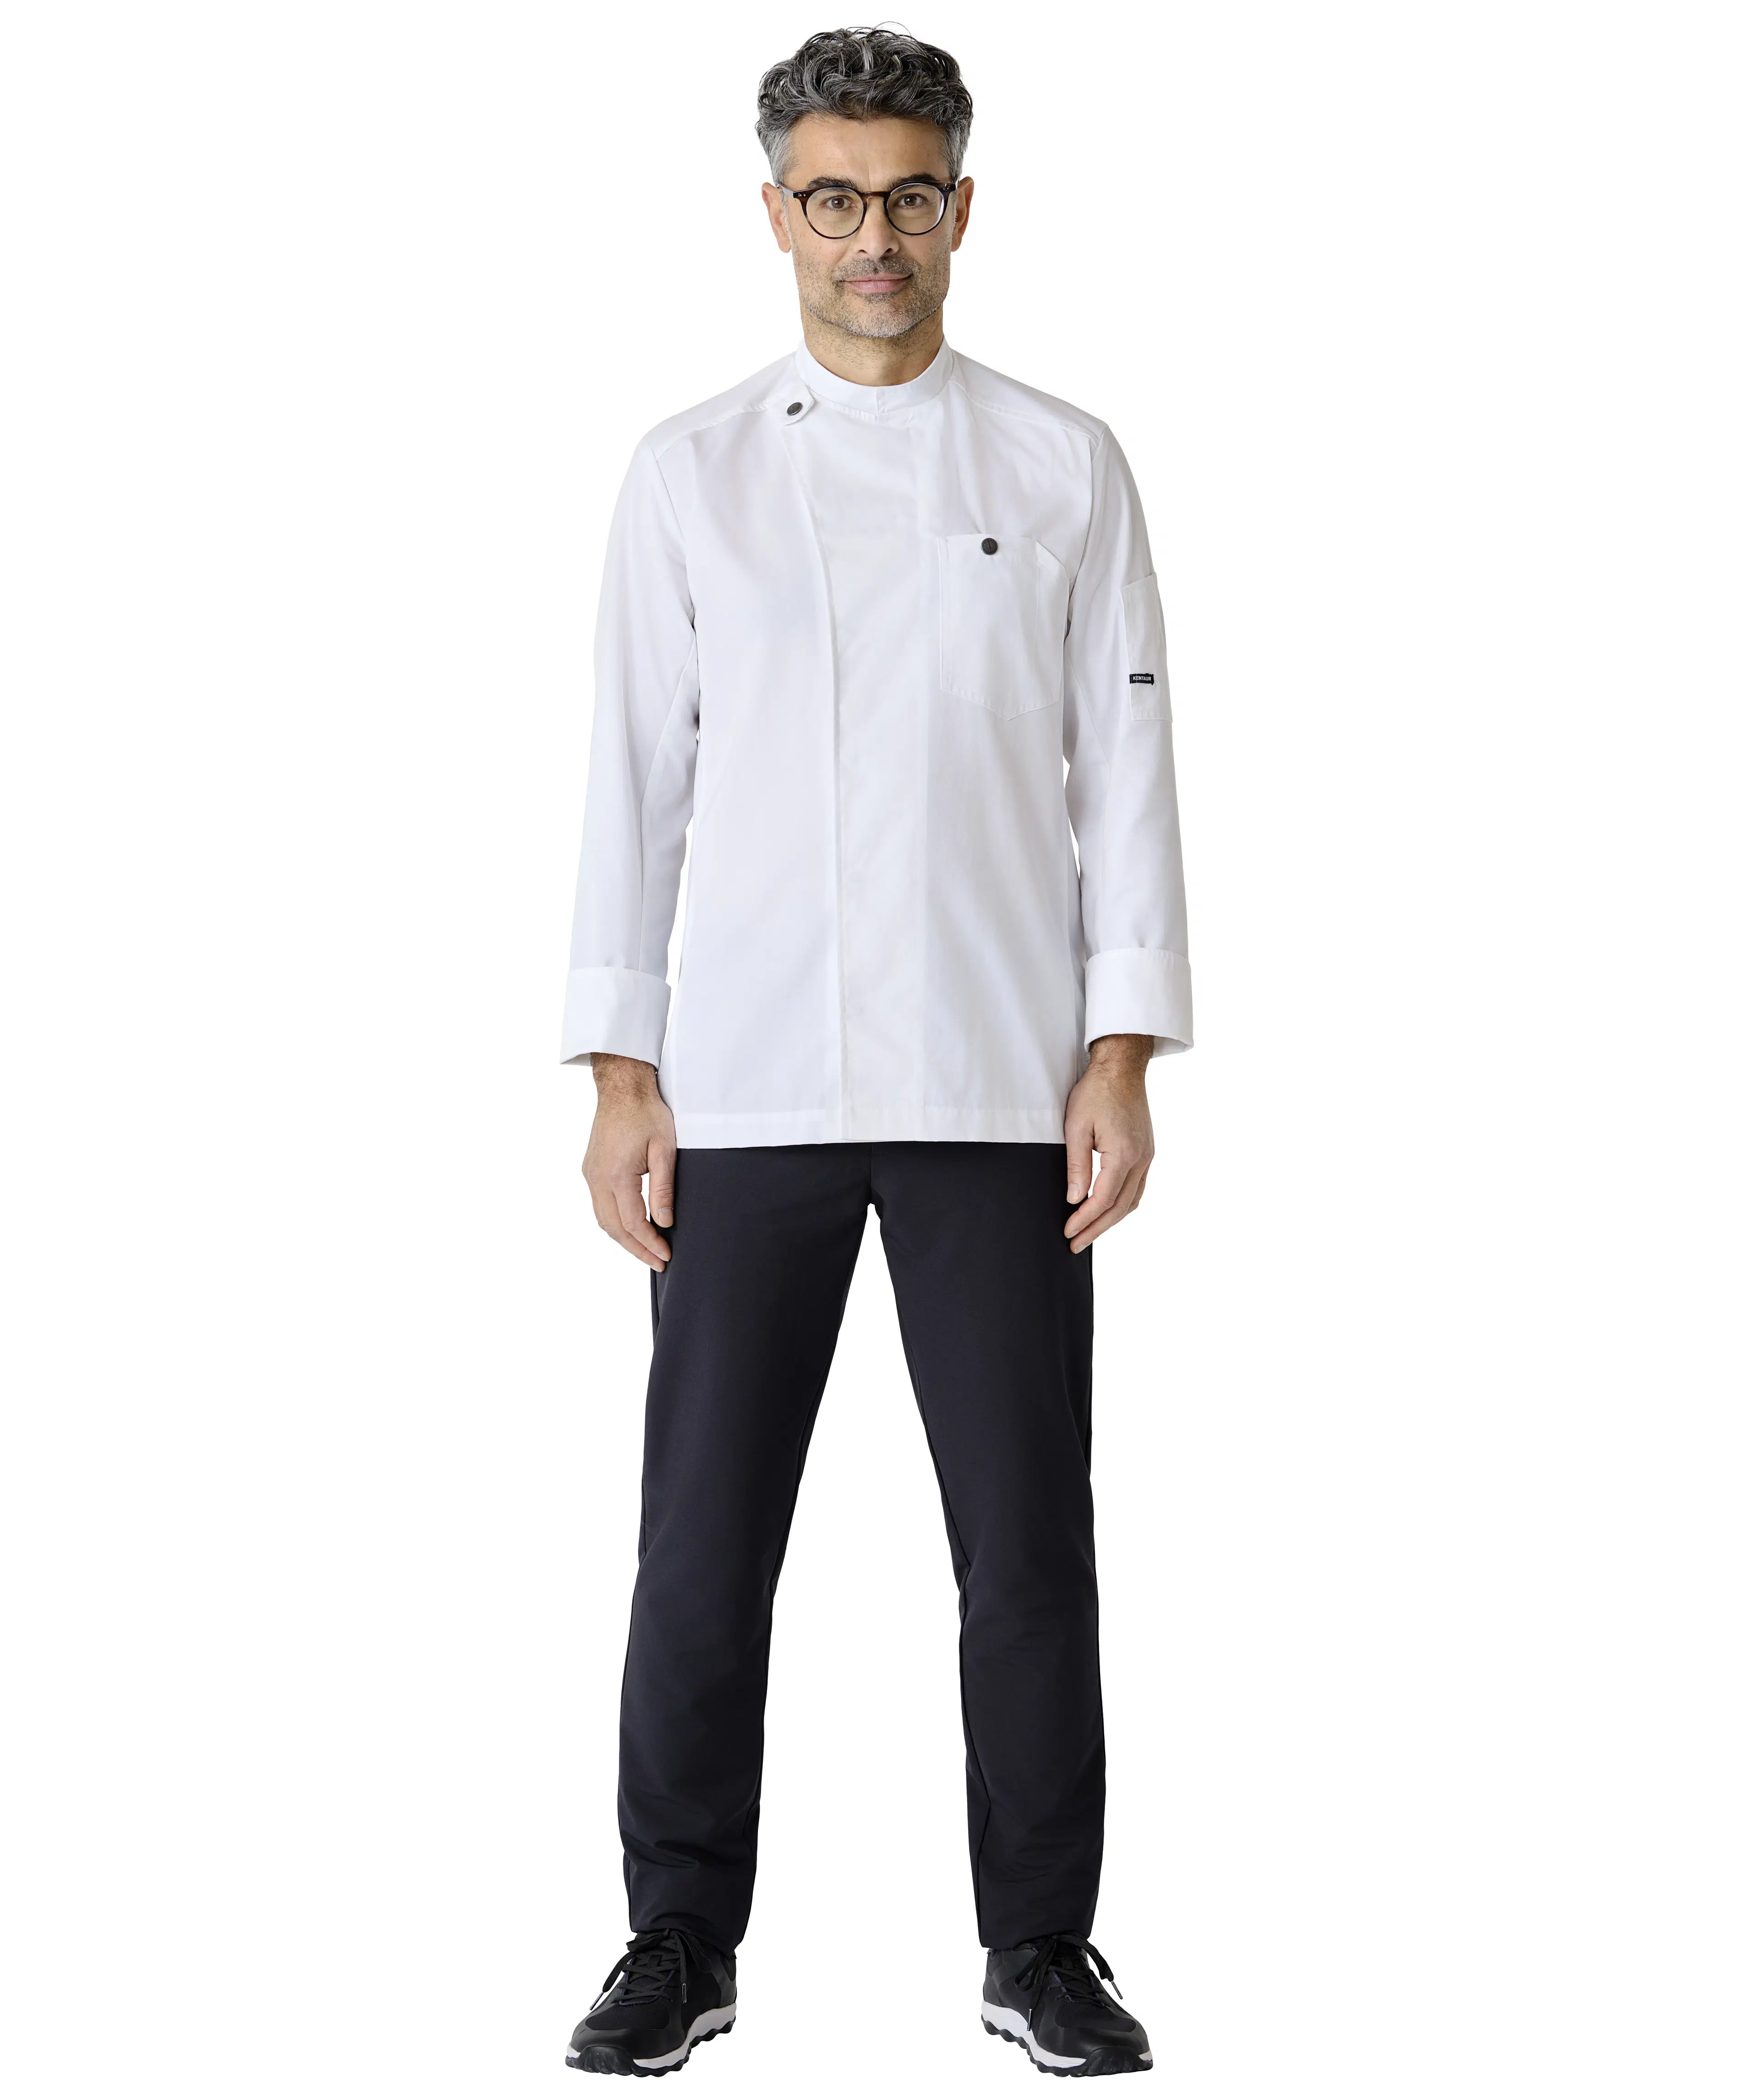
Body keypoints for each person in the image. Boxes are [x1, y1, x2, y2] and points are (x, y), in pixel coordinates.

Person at [560, 25, 1191, 2081]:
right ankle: (677, 1933)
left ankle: (1043, 1944)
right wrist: (621, 1070)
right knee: (701, 1539)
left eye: (909, 194)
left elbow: (1130, 778)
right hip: (743, 1085)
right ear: (775, 215)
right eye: (832, 197)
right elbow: (631, 785)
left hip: (1001, 1081)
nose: (873, 238)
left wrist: (1122, 1048)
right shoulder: (691, 472)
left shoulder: (1065, 462)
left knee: (1027, 1543)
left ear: (962, 206)